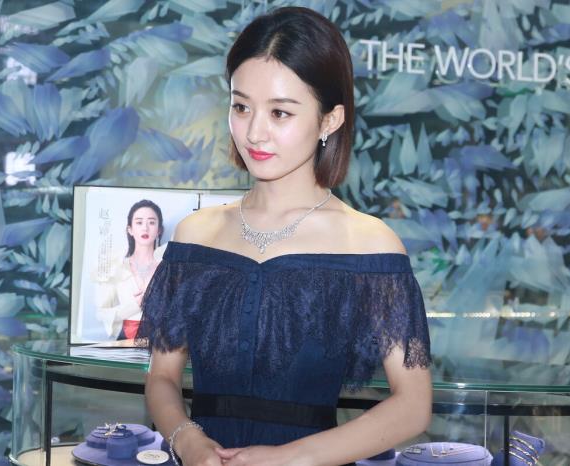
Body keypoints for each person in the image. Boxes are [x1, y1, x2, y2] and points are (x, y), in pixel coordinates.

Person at [136, 6, 432, 465]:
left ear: (330, 120)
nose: (255, 132)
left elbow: (412, 405)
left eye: (280, 113)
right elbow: (161, 378)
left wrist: (291, 458)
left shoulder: (369, 244)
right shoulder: (196, 234)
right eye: (241, 107)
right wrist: (186, 440)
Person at [97, 199, 164, 340]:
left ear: (159, 230)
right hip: (126, 340)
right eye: (139, 222)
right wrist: (135, 305)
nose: (145, 228)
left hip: (162, 341)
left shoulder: (168, 267)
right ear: (130, 229)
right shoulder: (116, 267)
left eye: (151, 222)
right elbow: (101, 314)